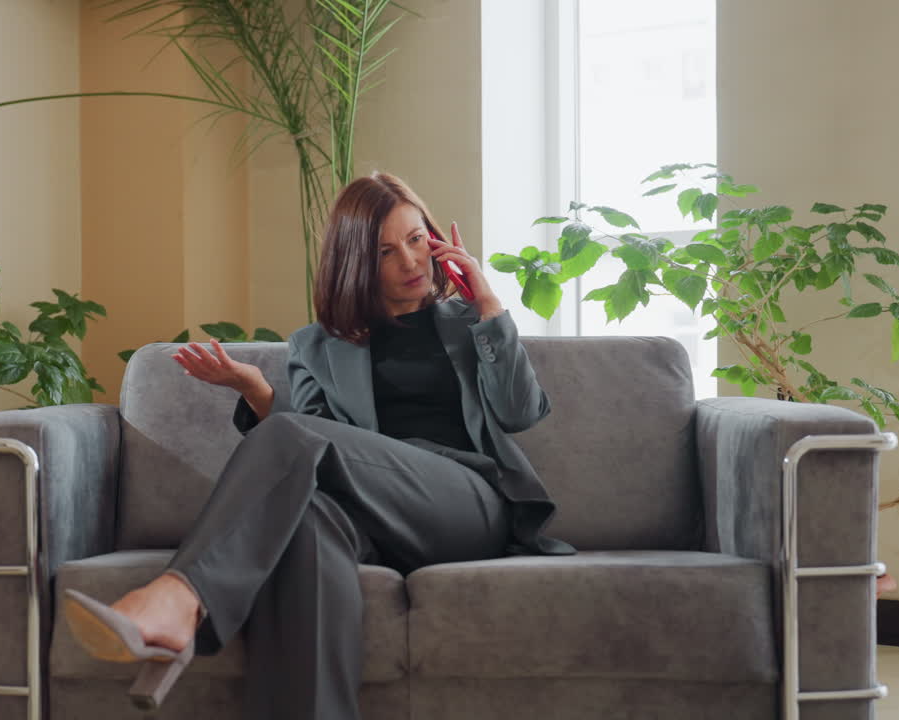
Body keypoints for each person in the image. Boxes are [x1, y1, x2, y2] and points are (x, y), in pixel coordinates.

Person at [61, 171, 575, 719]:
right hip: (374, 516)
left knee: (289, 438)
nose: (411, 261)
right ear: (356, 263)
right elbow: (314, 452)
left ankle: (178, 597)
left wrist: (489, 304)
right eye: (385, 251)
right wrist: (256, 391)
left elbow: (521, 412)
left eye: (417, 238)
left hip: (466, 507)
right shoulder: (317, 347)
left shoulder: (470, 323)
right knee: (305, 524)